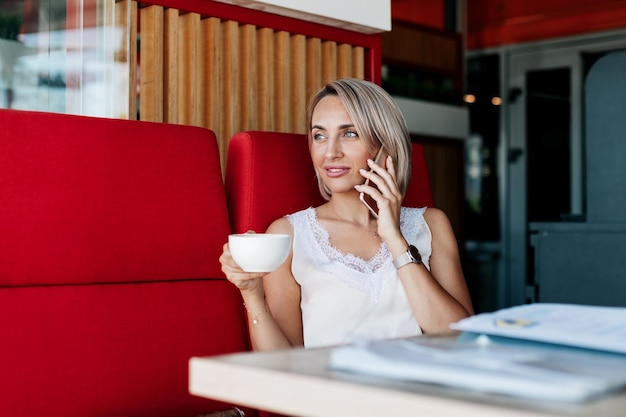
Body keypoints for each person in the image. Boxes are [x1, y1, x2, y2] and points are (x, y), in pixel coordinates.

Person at [220, 78, 474, 351]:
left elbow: (460, 339)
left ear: (384, 145)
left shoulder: (432, 224)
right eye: (319, 136)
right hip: (333, 392)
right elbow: (281, 363)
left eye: (349, 133)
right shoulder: (289, 235)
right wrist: (253, 295)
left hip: (418, 390)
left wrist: (395, 240)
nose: (330, 152)